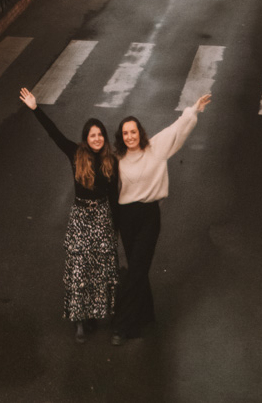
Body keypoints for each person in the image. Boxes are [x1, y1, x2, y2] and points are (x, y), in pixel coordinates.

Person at [19, 87, 119, 343]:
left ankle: (95, 315)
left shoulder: (111, 161)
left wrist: (115, 228)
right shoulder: (76, 154)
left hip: (102, 217)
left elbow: (114, 197)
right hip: (81, 218)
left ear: (104, 138)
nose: (97, 139)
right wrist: (35, 108)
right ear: (86, 138)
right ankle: (79, 322)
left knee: (99, 270)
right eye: (92, 135)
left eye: (100, 135)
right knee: (79, 268)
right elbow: (54, 134)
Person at [110, 93, 211, 345]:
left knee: (136, 269)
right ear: (121, 137)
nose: (130, 136)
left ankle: (123, 325)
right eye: (125, 133)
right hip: (126, 217)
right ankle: (147, 315)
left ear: (140, 133)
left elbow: (177, 130)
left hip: (148, 217)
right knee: (138, 267)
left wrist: (194, 110)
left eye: (133, 132)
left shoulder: (155, 148)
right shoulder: (117, 161)